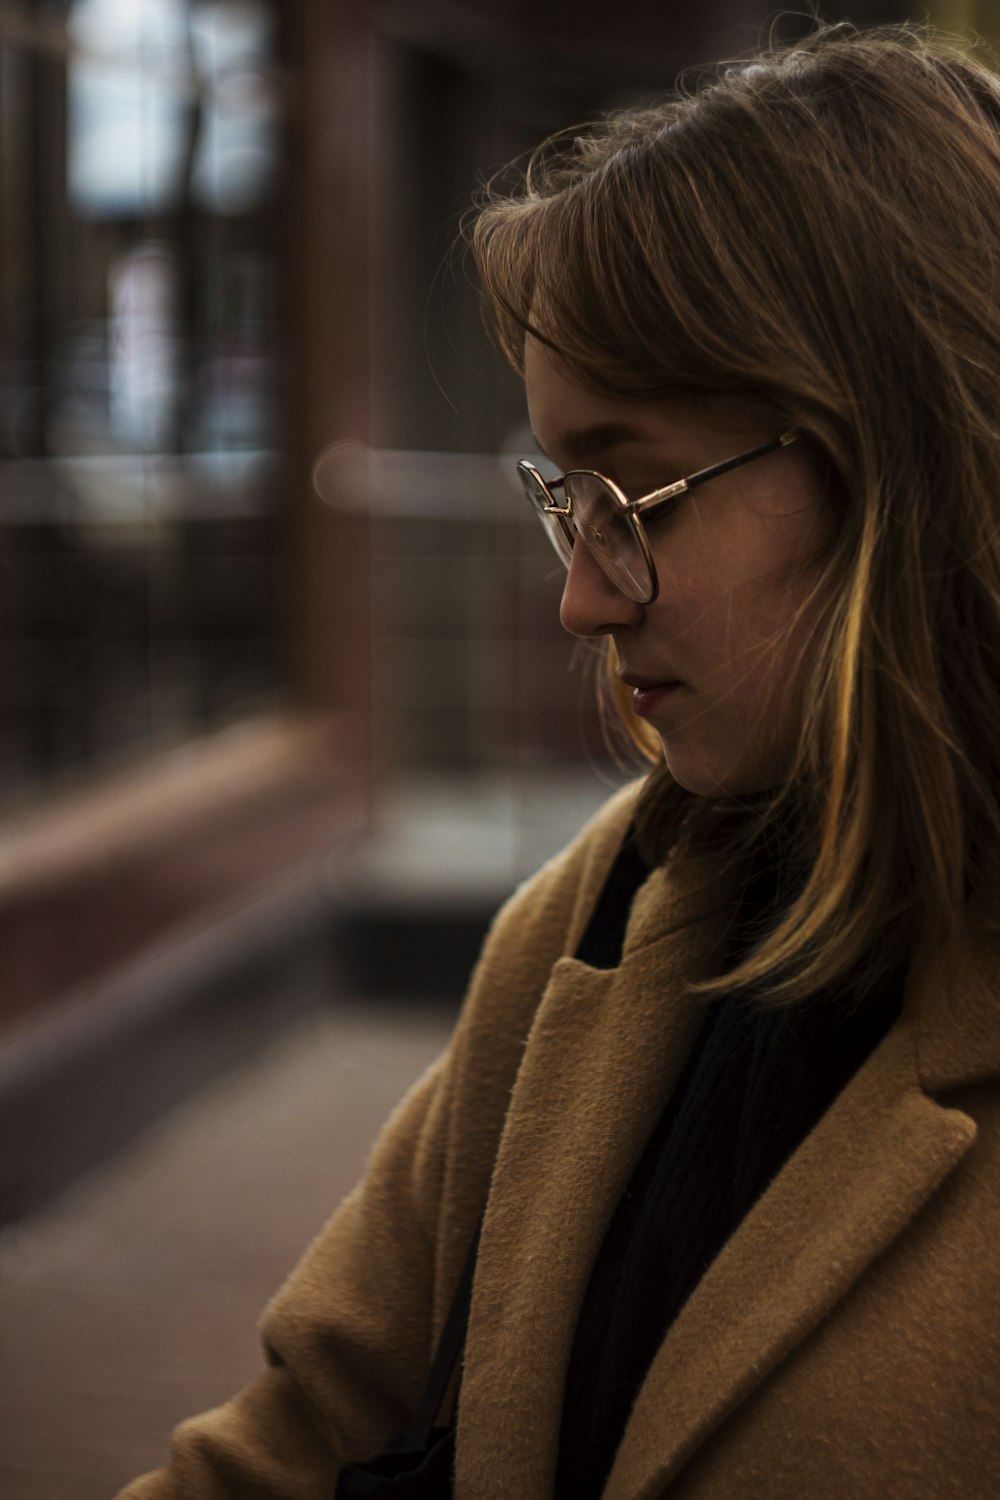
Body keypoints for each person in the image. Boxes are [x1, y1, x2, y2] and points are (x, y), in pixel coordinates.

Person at [116, 21, 1000, 1499]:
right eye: (563, 498)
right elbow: (302, 1441)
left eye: (637, 493)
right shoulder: (599, 918)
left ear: (903, 461)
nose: (583, 596)